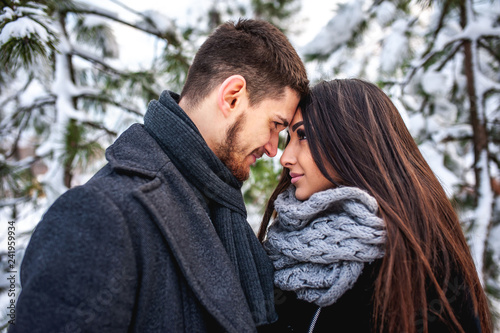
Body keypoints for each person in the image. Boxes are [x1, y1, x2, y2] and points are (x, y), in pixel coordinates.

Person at [10, 19, 309, 333]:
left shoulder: (218, 208)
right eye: (275, 126)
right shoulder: (102, 215)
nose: (274, 150)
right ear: (232, 96)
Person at [258, 79, 492, 333]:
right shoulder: (282, 248)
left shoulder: (417, 265)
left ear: (351, 141)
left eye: (303, 135)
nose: (286, 157)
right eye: (288, 138)